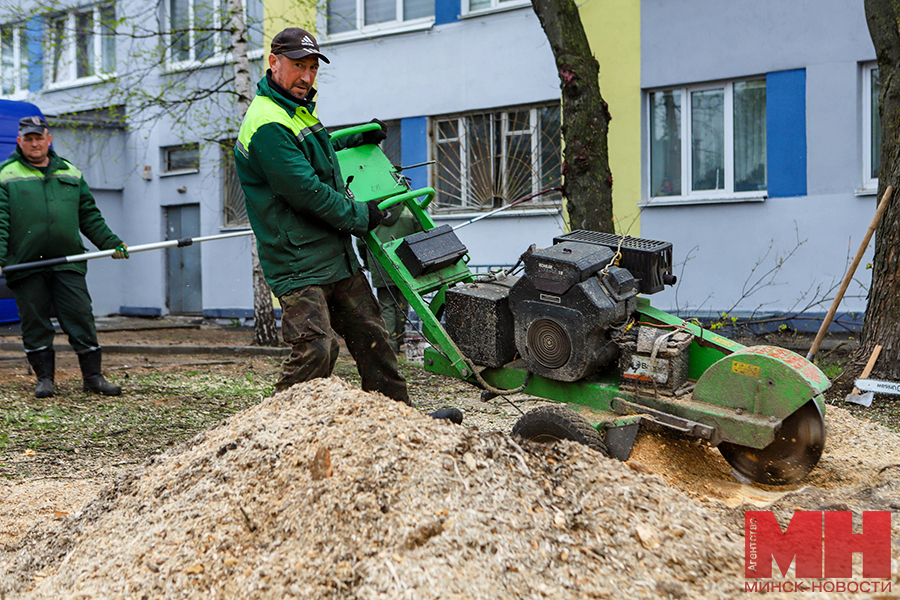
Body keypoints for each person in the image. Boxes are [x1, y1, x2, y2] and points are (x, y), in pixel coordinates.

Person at [0, 115, 129, 398]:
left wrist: (111, 243)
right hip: (25, 265)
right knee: (35, 323)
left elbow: (89, 216)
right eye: (29, 139)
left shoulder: (71, 172)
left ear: (49, 139)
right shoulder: (5, 174)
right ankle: (44, 379)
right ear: (20, 142)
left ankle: (93, 378)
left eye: (39, 138)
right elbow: (1, 222)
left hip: (68, 263)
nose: (35, 143)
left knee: (80, 317)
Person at [356, 205, 421, 353]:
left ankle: (390, 344)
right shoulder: (409, 209)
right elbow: (421, 234)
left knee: (386, 306)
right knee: (403, 305)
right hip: (406, 263)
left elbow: (361, 242)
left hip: (381, 263)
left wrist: (367, 262)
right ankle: (397, 341)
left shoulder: (370, 209)